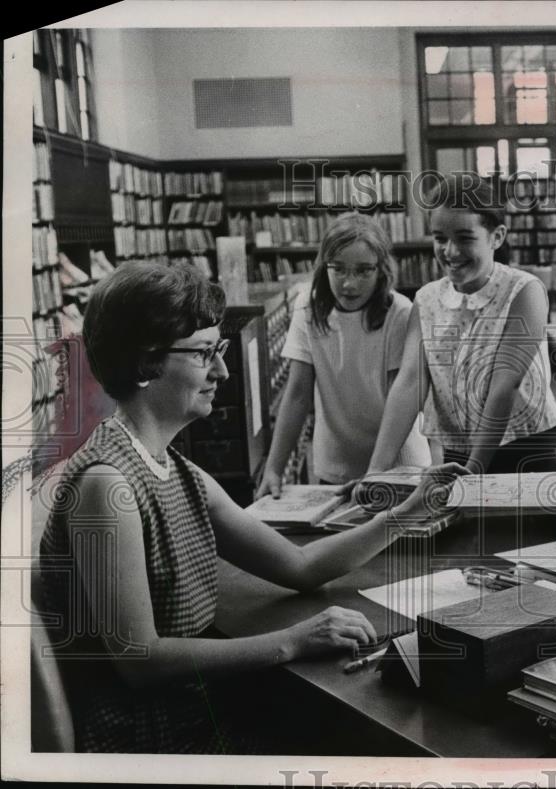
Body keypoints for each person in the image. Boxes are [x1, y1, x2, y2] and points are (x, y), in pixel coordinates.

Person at [38, 261, 464, 753]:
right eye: (204, 354)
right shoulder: (105, 485)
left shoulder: (174, 468)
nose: (222, 369)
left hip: (203, 709)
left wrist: (408, 513)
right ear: (144, 364)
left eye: (218, 350)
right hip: (155, 740)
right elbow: (142, 660)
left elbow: (300, 567)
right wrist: (294, 640)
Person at [366, 173, 556, 477]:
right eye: (440, 238)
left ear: (496, 237)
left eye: (465, 238)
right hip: (458, 450)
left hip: (529, 448)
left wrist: (474, 471)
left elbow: (505, 384)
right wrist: (376, 470)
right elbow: (409, 383)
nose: (450, 251)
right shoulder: (427, 299)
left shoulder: (524, 290)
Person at [256, 213, 430, 498]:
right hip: (336, 465)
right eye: (338, 269)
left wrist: (375, 472)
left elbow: (400, 398)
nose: (349, 284)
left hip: (398, 463)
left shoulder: (400, 312)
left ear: (381, 270)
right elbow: (298, 393)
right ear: (324, 267)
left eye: (363, 271)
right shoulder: (307, 308)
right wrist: (273, 468)